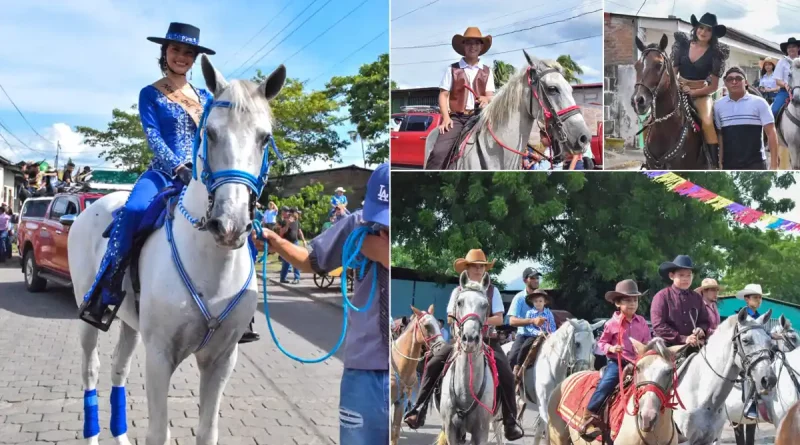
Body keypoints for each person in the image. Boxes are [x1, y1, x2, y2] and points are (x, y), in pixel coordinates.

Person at [77, 23, 257, 342]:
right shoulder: (150, 93)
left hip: (203, 175)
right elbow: (154, 137)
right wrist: (177, 165)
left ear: (194, 59)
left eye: (189, 53)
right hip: (163, 173)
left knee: (242, 223)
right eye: (175, 50)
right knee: (132, 212)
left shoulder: (206, 96)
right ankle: (106, 291)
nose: (182, 57)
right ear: (165, 52)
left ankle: (243, 309)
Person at [259, 163, 390, 445]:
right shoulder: (358, 225)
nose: (384, 229)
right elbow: (311, 260)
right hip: (364, 369)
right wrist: (274, 241)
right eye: (381, 221)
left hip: (406, 368)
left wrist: (387, 254)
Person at [404, 249, 525, 441]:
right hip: (461, 338)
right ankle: (419, 408)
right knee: (434, 363)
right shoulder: (457, 291)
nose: (478, 269)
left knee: (507, 373)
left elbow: (500, 318)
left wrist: (480, 322)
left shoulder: (492, 291)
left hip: (488, 340)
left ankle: (510, 421)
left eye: (481, 266)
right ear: (466, 269)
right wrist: (465, 323)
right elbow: (451, 318)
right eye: (474, 266)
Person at [580, 279, 652, 440]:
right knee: (606, 385)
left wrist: (647, 351)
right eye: (628, 300)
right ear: (618, 304)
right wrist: (612, 348)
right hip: (617, 362)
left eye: (635, 300)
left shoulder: (642, 323)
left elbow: (647, 342)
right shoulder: (612, 323)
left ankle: (668, 422)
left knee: (658, 385)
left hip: (639, 363)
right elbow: (602, 343)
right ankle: (589, 416)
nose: (633, 303)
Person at [425, 27, 495, 170]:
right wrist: (446, 118)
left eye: (476, 43)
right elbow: (443, 95)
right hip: (457, 118)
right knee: (439, 152)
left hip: (479, 117)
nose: (473, 46)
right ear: (463, 46)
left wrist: (486, 100)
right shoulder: (452, 69)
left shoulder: (487, 71)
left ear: (481, 46)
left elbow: (490, 96)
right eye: (469, 43)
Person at [671, 12, 730, 168]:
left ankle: (713, 163)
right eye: (701, 28)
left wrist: (693, 93)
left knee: (708, 122)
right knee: (651, 117)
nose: (703, 32)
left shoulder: (716, 53)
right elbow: (672, 73)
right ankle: (650, 157)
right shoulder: (682, 45)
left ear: (713, 34)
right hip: (678, 88)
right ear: (696, 28)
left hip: (701, 93)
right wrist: (678, 87)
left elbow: (713, 86)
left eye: (708, 30)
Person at [713, 67, 777, 170]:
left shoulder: (760, 103)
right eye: (730, 79)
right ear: (725, 83)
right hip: (729, 164)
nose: (734, 82)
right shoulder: (718, 106)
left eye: (738, 78)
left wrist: (774, 165)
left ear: (746, 82)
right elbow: (720, 135)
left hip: (756, 163)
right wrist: (720, 161)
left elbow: (771, 133)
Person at [650, 255, 710, 348]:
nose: (685, 278)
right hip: (666, 346)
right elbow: (658, 326)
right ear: (671, 276)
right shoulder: (661, 297)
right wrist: (683, 338)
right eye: (681, 275)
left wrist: (701, 329)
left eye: (689, 275)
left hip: (694, 345)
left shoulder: (697, 298)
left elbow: (704, 321)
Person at [508, 290, 555, 379]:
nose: (538, 303)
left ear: (545, 302)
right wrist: (538, 333)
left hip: (547, 335)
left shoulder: (549, 313)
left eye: (540, 301)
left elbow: (552, 324)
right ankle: (518, 366)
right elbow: (528, 327)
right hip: (532, 335)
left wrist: (551, 334)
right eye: (536, 301)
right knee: (525, 346)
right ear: (532, 303)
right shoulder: (529, 313)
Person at [507, 267, 545, 373]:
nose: (536, 280)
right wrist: (532, 321)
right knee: (511, 359)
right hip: (524, 335)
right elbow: (512, 321)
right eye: (532, 278)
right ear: (525, 280)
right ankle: (511, 387)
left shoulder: (543, 297)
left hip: (542, 334)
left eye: (537, 277)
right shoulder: (519, 298)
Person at [772, 37, 799, 117]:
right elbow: (778, 80)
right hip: (785, 92)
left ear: (798, 48)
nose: (791, 49)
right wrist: (785, 85)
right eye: (789, 47)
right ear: (787, 50)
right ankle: (772, 129)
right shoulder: (782, 61)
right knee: (774, 111)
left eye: (793, 46)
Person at [278, 209, 302, 284]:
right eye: (295, 213)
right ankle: (283, 278)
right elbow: (281, 232)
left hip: (295, 242)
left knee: (296, 260)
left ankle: (297, 278)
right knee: (286, 261)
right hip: (287, 242)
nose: (296, 214)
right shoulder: (285, 221)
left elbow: (299, 231)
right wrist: (287, 224)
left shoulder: (296, 222)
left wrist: (303, 240)